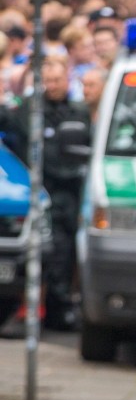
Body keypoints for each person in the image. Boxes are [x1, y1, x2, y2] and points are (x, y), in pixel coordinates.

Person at [0, 56, 90, 329]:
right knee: (42, 253)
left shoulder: (79, 111)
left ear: (67, 80)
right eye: (47, 80)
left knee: (65, 253)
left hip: (69, 192)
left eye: (57, 80)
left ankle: (59, 308)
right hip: (38, 192)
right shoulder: (29, 109)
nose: (52, 86)